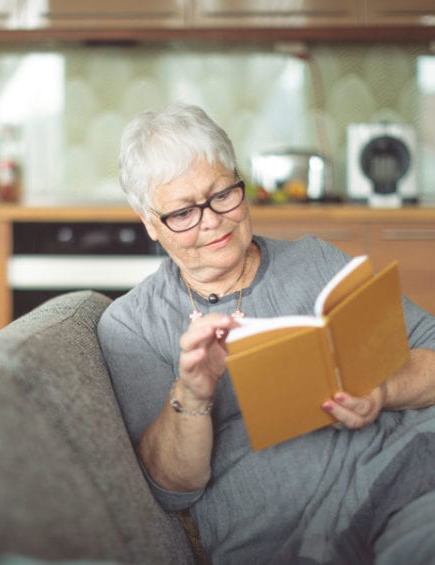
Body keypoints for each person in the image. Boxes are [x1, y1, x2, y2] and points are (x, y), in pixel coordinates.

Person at [97, 103, 435, 564]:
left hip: (409, 480)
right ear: (150, 222)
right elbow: (172, 486)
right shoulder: (132, 325)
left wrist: (379, 388)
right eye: (182, 213)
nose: (212, 220)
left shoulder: (315, 261)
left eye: (222, 194)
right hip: (290, 536)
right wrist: (192, 394)